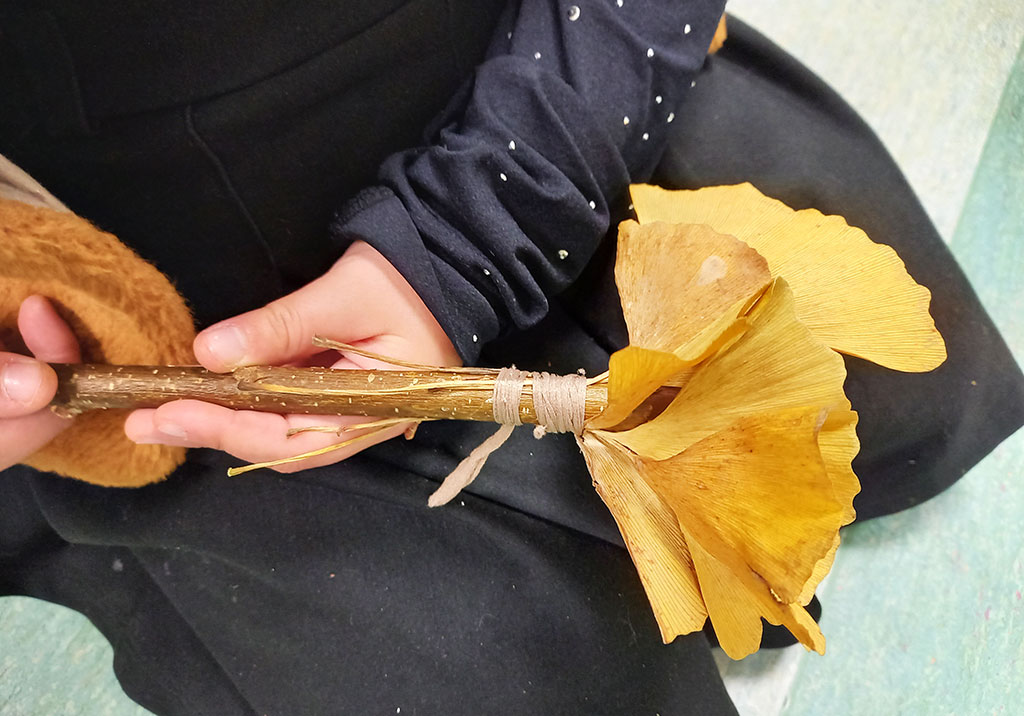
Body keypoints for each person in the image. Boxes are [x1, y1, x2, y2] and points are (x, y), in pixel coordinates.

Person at [1, 2, 1021, 714]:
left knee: (914, 398)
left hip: (537, 104)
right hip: (190, 322)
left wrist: (470, 232)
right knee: (514, 664)